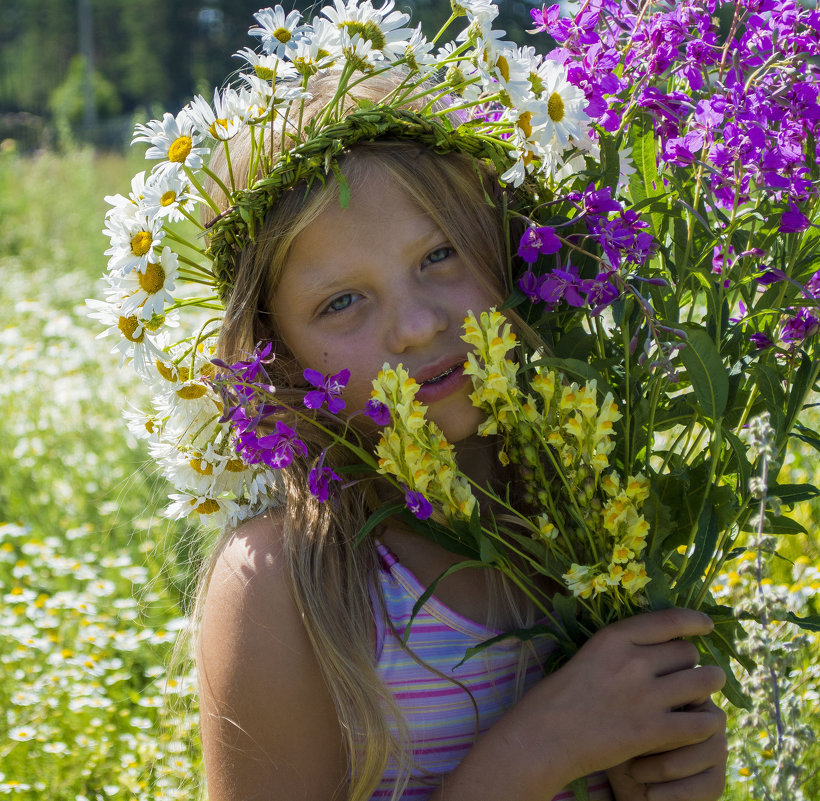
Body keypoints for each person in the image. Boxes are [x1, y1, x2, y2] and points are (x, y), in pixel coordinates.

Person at [192, 78, 729, 801]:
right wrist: (541, 748)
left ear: (512, 247)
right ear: (276, 357)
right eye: (341, 301)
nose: (416, 324)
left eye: (440, 254)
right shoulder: (288, 583)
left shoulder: (600, 518)